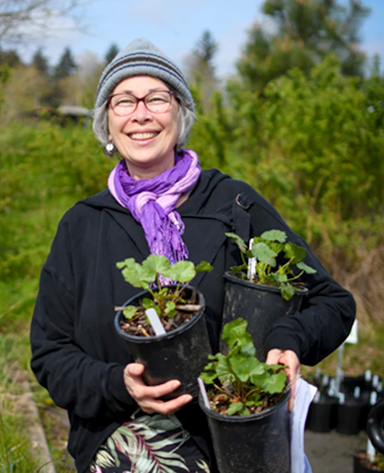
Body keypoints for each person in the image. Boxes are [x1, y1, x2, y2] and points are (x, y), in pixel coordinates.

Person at [30, 38, 356, 473]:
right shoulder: (83, 225)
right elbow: (50, 355)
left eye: (157, 98)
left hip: (234, 448)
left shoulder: (234, 204)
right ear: (106, 124)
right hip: (119, 451)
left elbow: (334, 303)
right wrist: (119, 385)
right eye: (123, 100)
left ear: (179, 114)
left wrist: (288, 341)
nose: (141, 114)